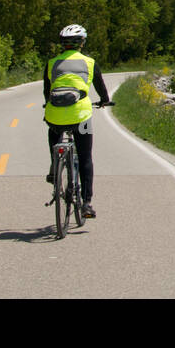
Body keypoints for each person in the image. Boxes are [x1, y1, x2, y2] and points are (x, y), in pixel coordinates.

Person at [43, 24, 110, 219]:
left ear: (62, 44)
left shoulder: (51, 63)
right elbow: (101, 88)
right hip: (82, 116)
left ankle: (55, 167)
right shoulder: (89, 63)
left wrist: (48, 104)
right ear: (82, 43)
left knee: (53, 130)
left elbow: (47, 92)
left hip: (54, 114)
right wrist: (105, 101)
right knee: (85, 157)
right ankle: (87, 203)